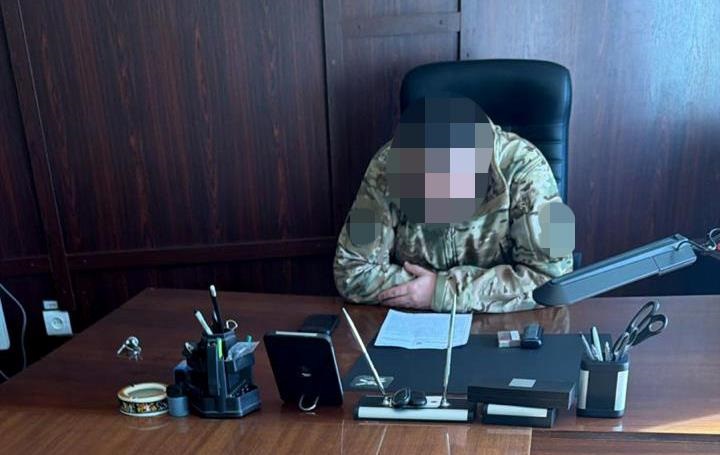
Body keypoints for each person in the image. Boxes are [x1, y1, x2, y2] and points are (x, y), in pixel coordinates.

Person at [333, 97, 575, 313]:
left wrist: (442, 291)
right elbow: (351, 270)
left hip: (504, 326)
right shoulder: (386, 167)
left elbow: (554, 280)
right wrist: (425, 291)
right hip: (412, 321)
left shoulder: (529, 170)